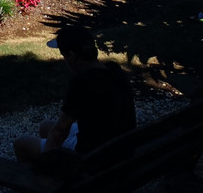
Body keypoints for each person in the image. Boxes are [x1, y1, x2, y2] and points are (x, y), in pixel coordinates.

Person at [13, 25, 135, 164]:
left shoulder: (82, 82)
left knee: (21, 143)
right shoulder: (114, 70)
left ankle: (43, 183)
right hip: (120, 147)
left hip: (93, 157)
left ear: (72, 56)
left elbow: (60, 131)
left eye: (64, 55)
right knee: (45, 126)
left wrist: (46, 161)